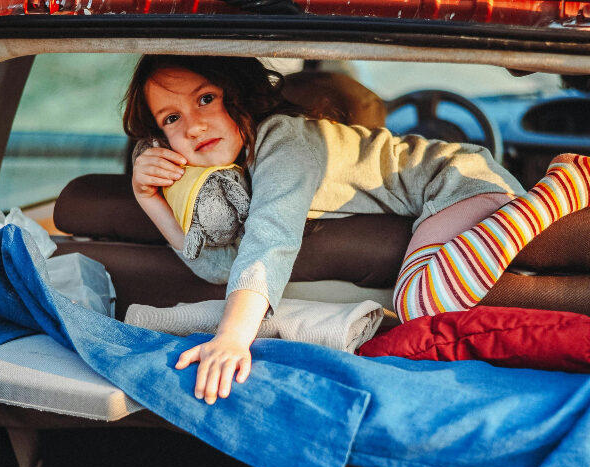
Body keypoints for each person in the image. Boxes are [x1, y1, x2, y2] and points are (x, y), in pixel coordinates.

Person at [123, 55, 590, 405]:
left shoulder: (284, 139)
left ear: (239, 96)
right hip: (440, 201)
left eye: (206, 98)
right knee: (452, 293)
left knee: (420, 299)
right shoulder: (239, 180)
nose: (194, 124)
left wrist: (232, 336)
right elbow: (222, 267)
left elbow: (272, 239)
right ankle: (553, 212)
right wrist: (149, 200)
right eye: (171, 118)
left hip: (453, 179)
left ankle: (555, 194)